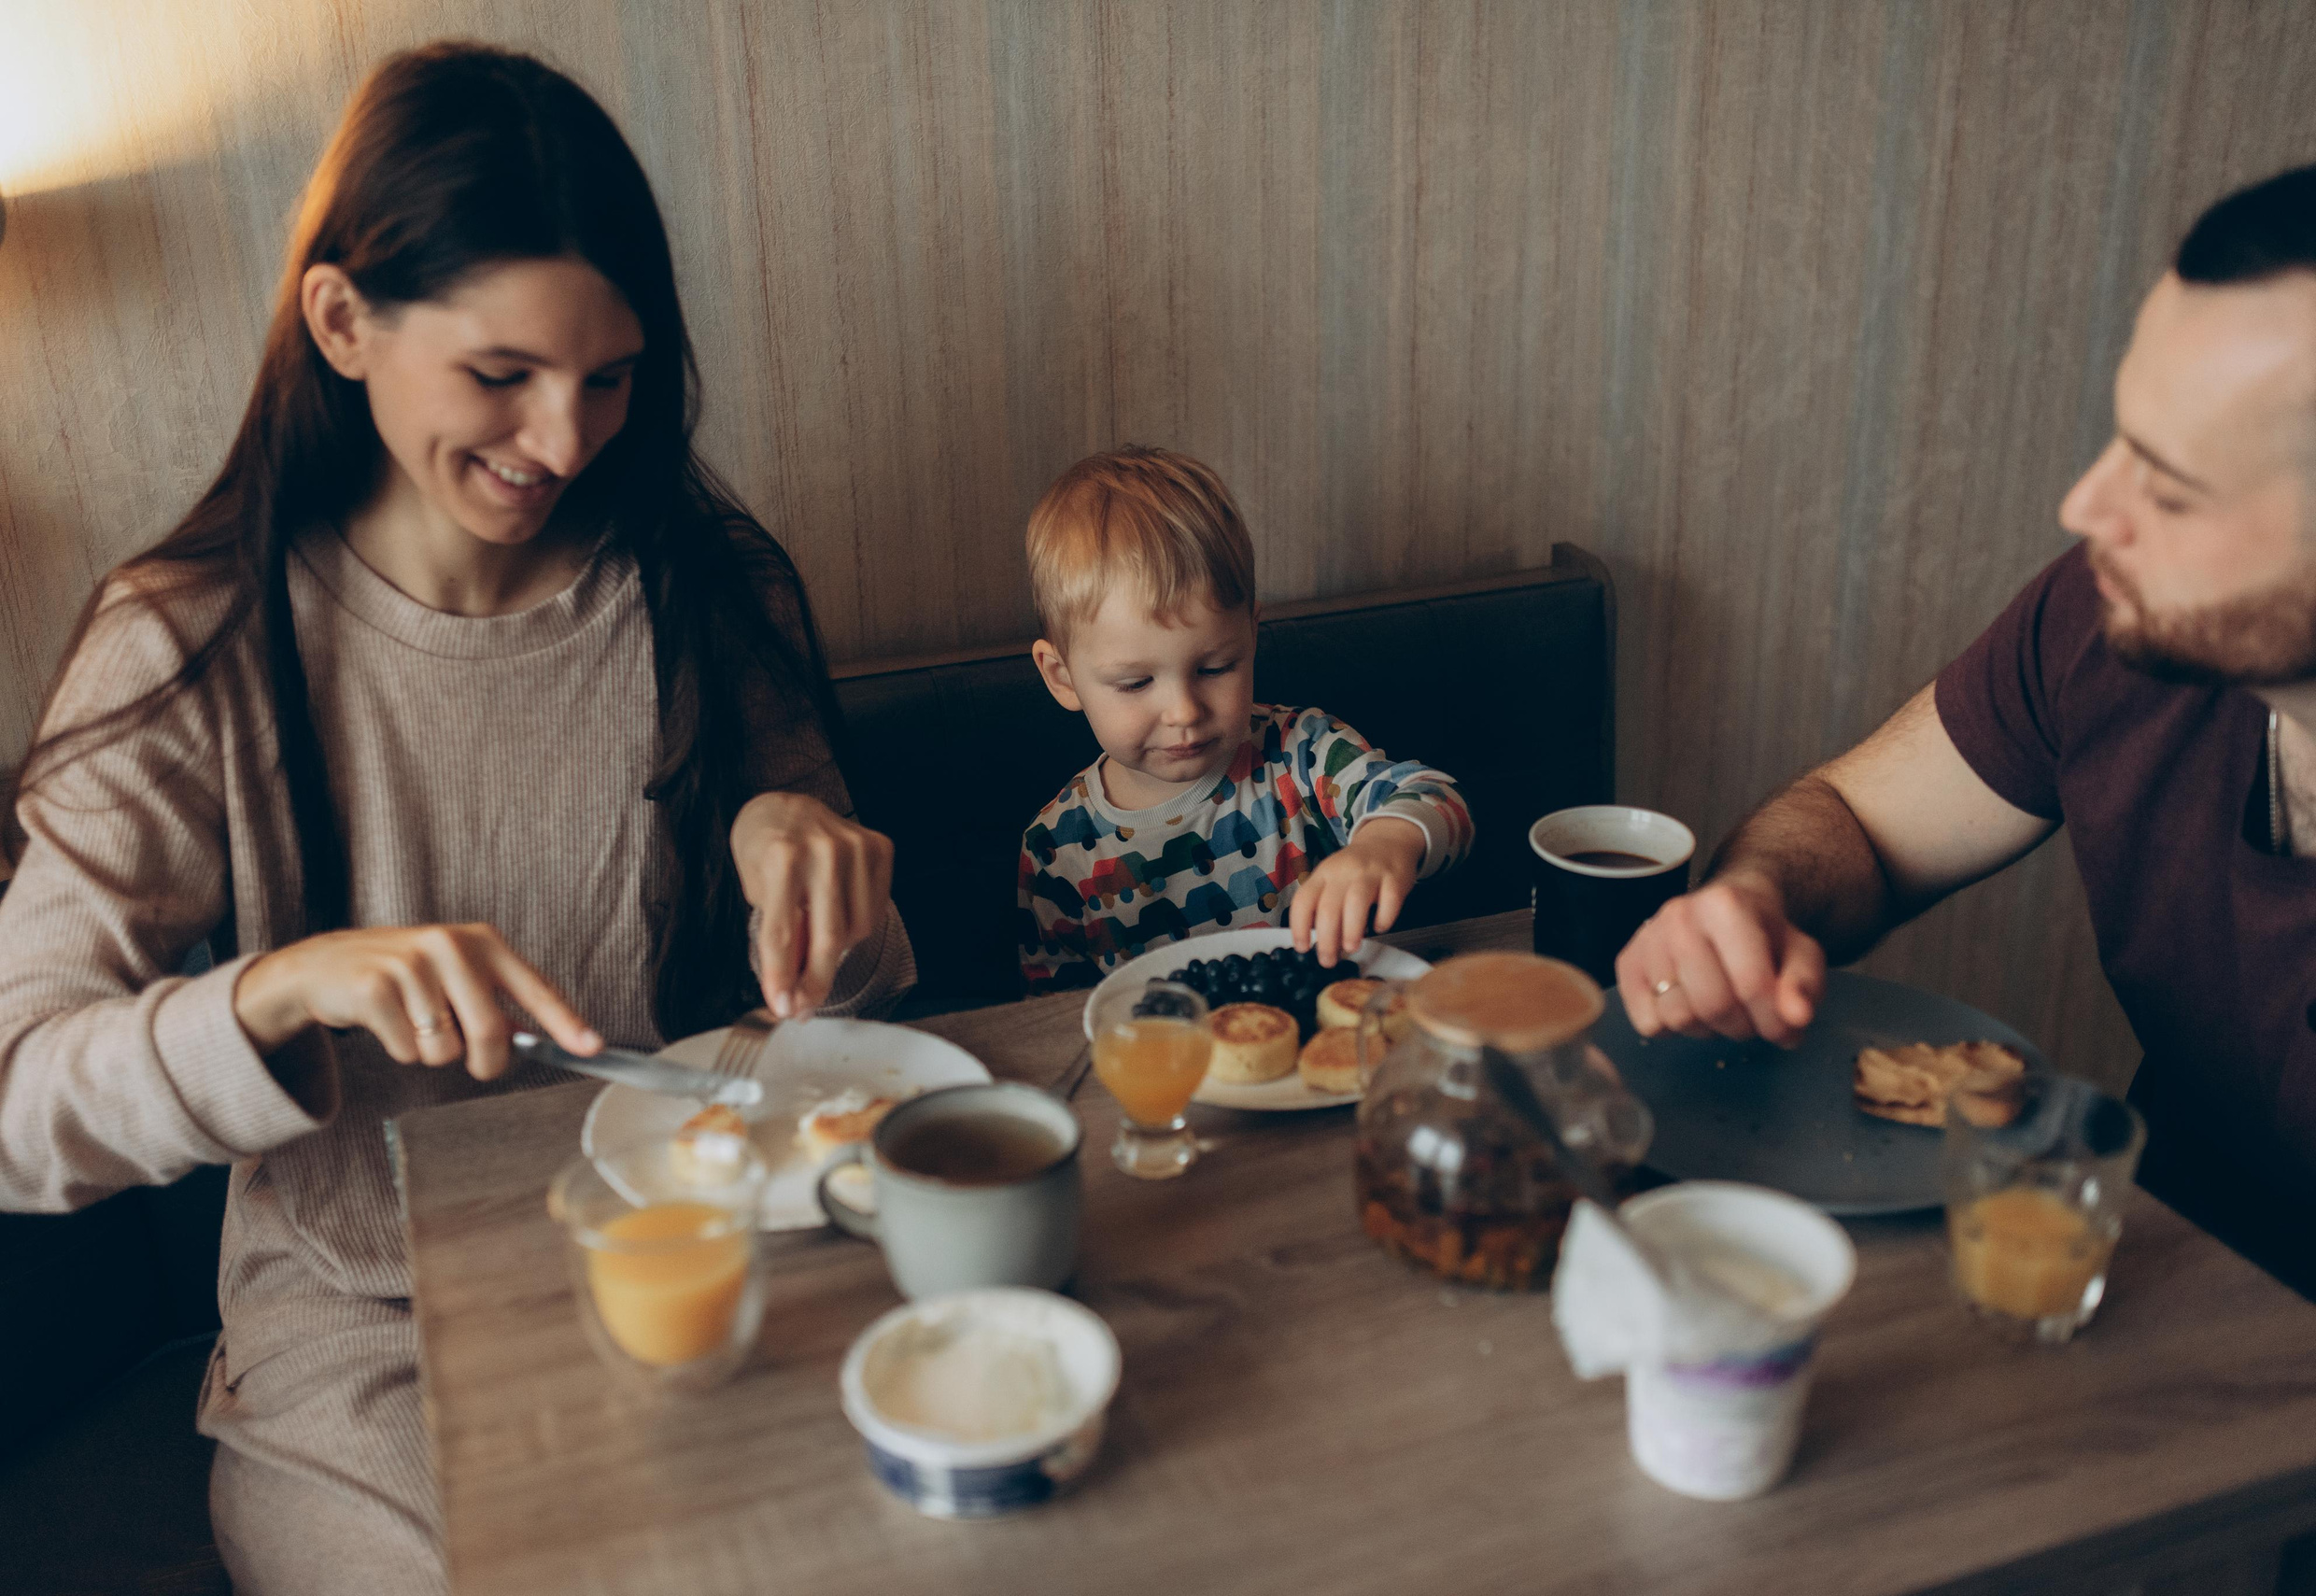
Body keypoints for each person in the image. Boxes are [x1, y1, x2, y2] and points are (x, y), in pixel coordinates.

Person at [0, 44, 912, 1595]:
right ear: (342, 320)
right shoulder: (192, 642)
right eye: (501, 375)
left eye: (609, 377)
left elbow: (854, 1012)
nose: (562, 440)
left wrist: (807, 860)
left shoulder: (703, 589)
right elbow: (21, 1105)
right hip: (369, 1339)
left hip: (689, 1258)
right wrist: (282, 991)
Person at [1615, 151, 2316, 1345]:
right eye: (2120, 437)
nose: (2085, 507)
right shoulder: (2113, 618)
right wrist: (1756, 898)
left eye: (2170, 490)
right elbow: (1858, 824)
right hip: (2121, 1303)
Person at [1016, 445, 1473, 991]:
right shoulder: (1054, 848)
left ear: (1251, 636)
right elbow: (1054, 1011)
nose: (1184, 712)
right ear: (1063, 677)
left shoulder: (1303, 753)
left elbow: (1441, 801)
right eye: (1135, 683)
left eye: (1215, 668)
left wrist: (1386, 844)